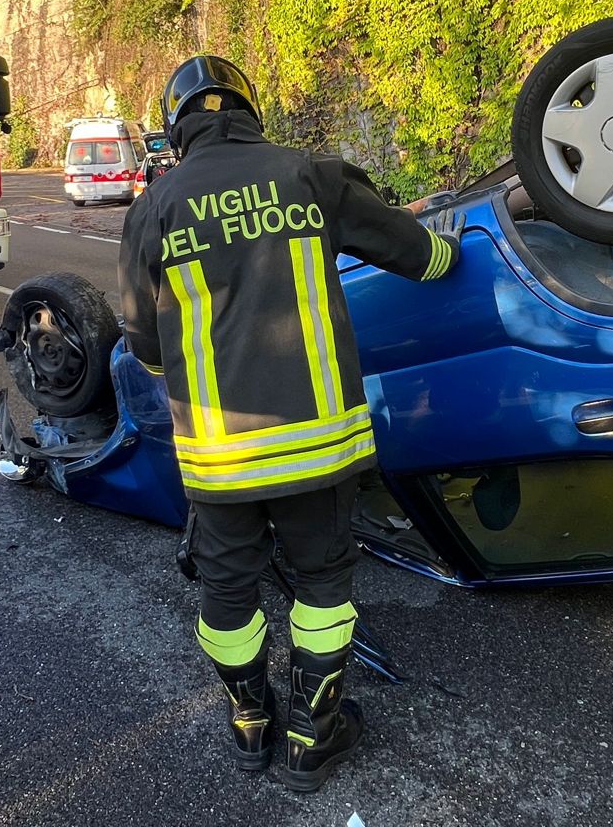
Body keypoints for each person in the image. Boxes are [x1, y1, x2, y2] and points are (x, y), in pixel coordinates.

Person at [118, 55, 459, 791]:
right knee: (323, 582)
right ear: (250, 109)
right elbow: (421, 257)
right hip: (318, 443)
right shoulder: (311, 175)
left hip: (220, 455)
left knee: (228, 588)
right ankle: (313, 734)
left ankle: (251, 725)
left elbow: (144, 348)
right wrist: (451, 245)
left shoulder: (155, 206)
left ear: (176, 128)